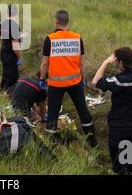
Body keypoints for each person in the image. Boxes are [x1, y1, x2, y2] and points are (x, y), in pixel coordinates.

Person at [39, 10, 97, 147]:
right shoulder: (77, 38)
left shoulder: (50, 39)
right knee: (83, 110)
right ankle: (92, 141)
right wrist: (83, 79)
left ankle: (52, 143)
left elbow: (44, 63)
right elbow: (81, 63)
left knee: (52, 112)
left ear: (56, 22)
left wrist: (42, 78)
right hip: (75, 82)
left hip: (55, 84)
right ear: (68, 22)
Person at [92, 48, 132, 175]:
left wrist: (105, 62)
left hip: (121, 128)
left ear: (121, 63)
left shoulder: (119, 80)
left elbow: (96, 81)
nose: (116, 65)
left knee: (121, 164)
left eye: (117, 62)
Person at [0, 4, 22, 92]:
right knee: (13, 78)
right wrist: (19, 57)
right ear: (16, 13)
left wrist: (4, 48)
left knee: (5, 76)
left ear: (7, 12)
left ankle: (0, 92)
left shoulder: (2, 23)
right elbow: (15, 45)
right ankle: (9, 97)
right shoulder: (14, 25)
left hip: (3, 51)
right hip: (11, 55)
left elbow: (1, 39)